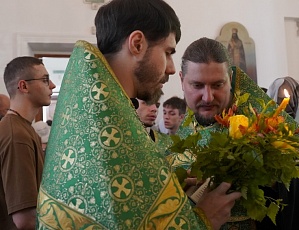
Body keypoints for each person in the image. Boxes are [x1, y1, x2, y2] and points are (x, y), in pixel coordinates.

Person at [36, 1, 241, 229]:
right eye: (168, 52)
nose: (171, 68)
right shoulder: (106, 128)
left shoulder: (99, 113)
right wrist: (203, 220)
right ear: (137, 44)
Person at [167, 37, 299, 229]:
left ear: (231, 79)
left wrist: (275, 182)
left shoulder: (267, 126)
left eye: (217, 85)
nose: (208, 97)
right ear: (182, 80)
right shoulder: (178, 142)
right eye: (197, 85)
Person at [0, 56, 56, 229]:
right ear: (24, 86)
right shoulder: (16, 135)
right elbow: (25, 220)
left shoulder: (24, 128)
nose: (53, 85)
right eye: (45, 80)